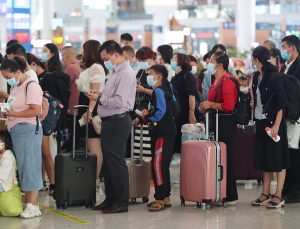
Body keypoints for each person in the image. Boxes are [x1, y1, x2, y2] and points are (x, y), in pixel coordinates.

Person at [89, 40, 136, 214]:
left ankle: (122, 202)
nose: (104, 61)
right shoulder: (114, 72)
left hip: (119, 121)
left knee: (116, 163)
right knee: (108, 164)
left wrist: (101, 99)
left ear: (116, 55)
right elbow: (111, 96)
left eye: (106, 57)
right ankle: (110, 199)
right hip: (110, 121)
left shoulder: (125, 74)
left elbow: (120, 101)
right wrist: (100, 94)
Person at [0, 57, 43, 218]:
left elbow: (36, 110)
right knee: (23, 166)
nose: (7, 80)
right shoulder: (16, 87)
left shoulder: (31, 86)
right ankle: (29, 202)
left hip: (28, 130)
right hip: (16, 130)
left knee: (30, 165)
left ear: (18, 72)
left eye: (8, 77)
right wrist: (7, 112)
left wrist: (14, 114)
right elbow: (14, 106)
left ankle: (33, 205)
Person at [250, 46, 289, 209]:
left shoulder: (274, 76)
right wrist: (254, 121)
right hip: (260, 122)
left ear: (257, 59)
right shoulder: (255, 77)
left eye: (252, 58)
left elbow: (282, 103)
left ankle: (278, 194)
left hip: (274, 123)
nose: (251, 61)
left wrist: (277, 125)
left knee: (278, 159)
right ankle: (265, 192)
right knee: (265, 158)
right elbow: (256, 102)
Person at [27, 53, 70, 196]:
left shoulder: (43, 79)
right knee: (42, 153)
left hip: (43, 121)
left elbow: (49, 104)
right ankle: (44, 182)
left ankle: (52, 182)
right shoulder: (35, 79)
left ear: (33, 64)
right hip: (37, 120)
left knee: (45, 153)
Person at [134, 65, 176, 212]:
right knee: (163, 166)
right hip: (168, 132)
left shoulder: (158, 91)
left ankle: (160, 198)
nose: (148, 77)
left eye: (150, 74)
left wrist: (146, 116)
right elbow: (174, 110)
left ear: (158, 76)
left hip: (162, 134)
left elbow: (160, 113)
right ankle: (165, 197)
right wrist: (146, 116)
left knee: (158, 166)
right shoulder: (168, 89)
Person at [199, 52, 238, 204]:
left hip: (226, 124)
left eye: (212, 61)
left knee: (227, 158)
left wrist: (211, 105)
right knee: (218, 158)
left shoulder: (227, 81)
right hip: (215, 122)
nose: (209, 63)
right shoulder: (215, 80)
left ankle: (230, 194)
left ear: (220, 65)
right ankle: (218, 191)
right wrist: (205, 107)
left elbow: (229, 106)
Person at [76, 40, 107, 191]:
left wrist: (89, 111)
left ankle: (95, 180)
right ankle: (93, 178)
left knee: (94, 145)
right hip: (86, 107)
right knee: (90, 144)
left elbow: (94, 92)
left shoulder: (96, 67)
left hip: (91, 108)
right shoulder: (92, 67)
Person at [280, 35, 300, 203]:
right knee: (288, 150)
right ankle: (287, 187)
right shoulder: (286, 66)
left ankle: (295, 190)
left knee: (294, 150)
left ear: (293, 48)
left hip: (296, 115)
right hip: (286, 114)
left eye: (284, 47)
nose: (283, 51)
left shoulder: (299, 66)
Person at [171, 53, 197, 155]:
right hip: (176, 112)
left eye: (174, 59)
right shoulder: (175, 76)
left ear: (181, 61)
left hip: (184, 112)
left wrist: (191, 113)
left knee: (183, 140)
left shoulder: (188, 75)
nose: (172, 61)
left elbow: (192, 95)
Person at [62, 46, 82, 152]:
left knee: (69, 138)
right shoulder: (79, 67)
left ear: (65, 56)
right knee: (75, 138)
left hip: (70, 109)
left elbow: (62, 87)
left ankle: (68, 162)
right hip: (78, 108)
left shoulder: (70, 68)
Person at [0, 130, 22, 217]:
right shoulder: (2, 155)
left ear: (6, 143)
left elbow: (2, 175)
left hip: (6, 185)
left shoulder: (8, 156)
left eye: (1, 141)